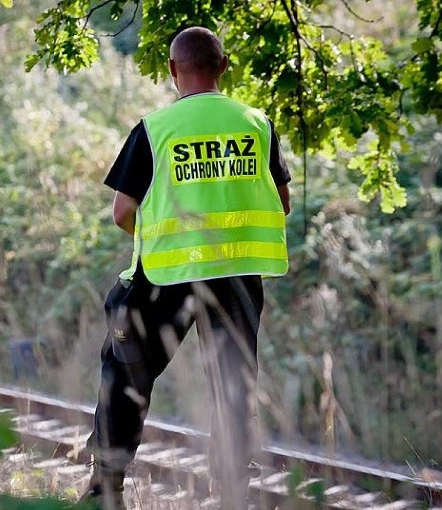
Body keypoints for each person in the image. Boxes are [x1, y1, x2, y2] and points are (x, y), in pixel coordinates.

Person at [79, 26, 291, 510]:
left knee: (125, 373)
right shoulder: (257, 124)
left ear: (174, 70)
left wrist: (168, 240)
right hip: (238, 275)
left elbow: (122, 212)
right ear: (225, 66)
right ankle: (234, 492)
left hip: (165, 277)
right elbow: (281, 202)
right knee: (233, 381)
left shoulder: (156, 129)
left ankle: (104, 492)